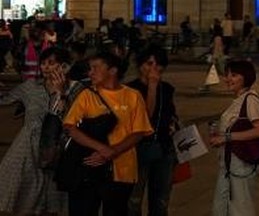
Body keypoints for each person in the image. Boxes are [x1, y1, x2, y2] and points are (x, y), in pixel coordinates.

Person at [62, 50, 154, 216]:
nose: (90, 73)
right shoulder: (86, 95)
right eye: (89, 69)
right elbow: (70, 127)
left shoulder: (132, 96)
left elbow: (139, 131)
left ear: (112, 70)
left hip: (123, 170)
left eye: (95, 68)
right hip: (91, 166)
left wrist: (114, 151)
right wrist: (103, 149)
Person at [0, 44, 70, 214]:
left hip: (56, 146)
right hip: (28, 145)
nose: (46, 67)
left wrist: (61, 93)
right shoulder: (30, 87)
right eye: (43, 63)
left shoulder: (73, 89)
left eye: (51, 62)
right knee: (24, 192)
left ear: (63, 66)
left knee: (53, 196)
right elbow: (5, 100)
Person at [205, 58, 259, 216]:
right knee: (221, 208)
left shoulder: (251, 100)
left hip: (241, 166)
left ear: (245, 77)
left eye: (233, 75)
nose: (228, 79)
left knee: (240, 208)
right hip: (229, 165)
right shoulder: (239, 100)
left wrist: (226, 137)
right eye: (227, 75)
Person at [126, 45, 179, 216]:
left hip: (163, 148)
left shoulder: (168, 88)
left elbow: (170, 113)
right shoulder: (130, 89)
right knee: (134, 200)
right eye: (149, 63)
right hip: (138, 149)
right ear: (140, 65)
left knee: (160, 200)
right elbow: (146, 116)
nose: (153, 68)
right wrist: (152, 87)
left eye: (158, 65)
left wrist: (173, 123)